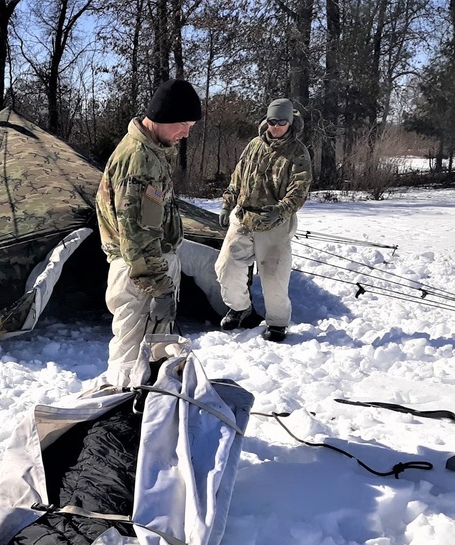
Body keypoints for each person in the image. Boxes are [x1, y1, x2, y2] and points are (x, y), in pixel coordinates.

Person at [95, 79, 201, 377]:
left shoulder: (151, 151)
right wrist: (160, 286)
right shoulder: (140, 161)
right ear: (162, 116)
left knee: (153, 354)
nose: (186, 133)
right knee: (129, 362)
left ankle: (144, 409)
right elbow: (136, 235)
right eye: (183, 124)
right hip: (140, 274)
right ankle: (119, 410)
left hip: (150, 268)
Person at [215, 97, 312, 343]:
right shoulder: (254, 145)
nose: (276, 126)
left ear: (290, 122)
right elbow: (238, 175)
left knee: (274, 275)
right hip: (245, 216)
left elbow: (300, 189)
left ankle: (278, 323)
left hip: (275, 222)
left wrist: (282, 210)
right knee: (225, 267)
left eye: (281, 122)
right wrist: (228, 202)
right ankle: (240, 308)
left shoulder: (298, 152)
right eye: (272, 121)